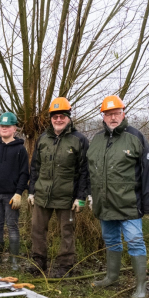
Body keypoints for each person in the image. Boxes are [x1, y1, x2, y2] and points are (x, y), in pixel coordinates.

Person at [88, 95, 149, 298]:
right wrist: (89, 194)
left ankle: (141, 287)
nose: (113, 118)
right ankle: (111, 277)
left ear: (123, 114)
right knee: (110, 240)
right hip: (105, 203)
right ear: (103, 116)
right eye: (109, 114)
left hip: (129, 203)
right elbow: (88, 170)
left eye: (116, 113)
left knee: (135, 241)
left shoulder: (136, 137)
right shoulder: (97, 140)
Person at [27, 97, 90, 278]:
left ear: (69, 117)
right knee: (37, 229)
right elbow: (35, 167)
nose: (58, 120)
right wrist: (31, 190)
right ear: (51, 118)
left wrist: (81, 197)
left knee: (66, 232)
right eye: (55, 117)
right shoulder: (43, 139)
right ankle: (39, 262)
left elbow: (84, 171)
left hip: (67, 197)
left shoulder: (79, 140)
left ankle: (65, 265)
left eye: (62, 116)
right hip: (42, 194)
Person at [0, 112, 29, 271]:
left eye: (7, 126)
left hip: (11, 196)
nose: (4, 128)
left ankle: (14, 260)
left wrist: (18, 193)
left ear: (14, 128)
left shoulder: (21, 150)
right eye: (2, 126)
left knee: (12, 226)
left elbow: (24, 173)